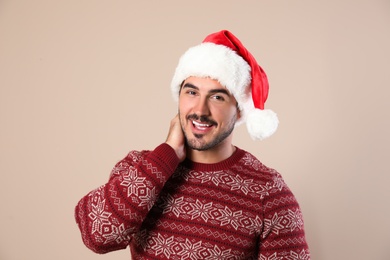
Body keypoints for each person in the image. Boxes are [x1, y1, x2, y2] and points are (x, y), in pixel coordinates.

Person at [75, 30, 310, 259]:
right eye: (191, 92)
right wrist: (166, 156)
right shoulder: (141, 166)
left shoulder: (268, 191)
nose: (200, 110)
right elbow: (97, 236)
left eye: (218, 97)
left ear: (239, 110)